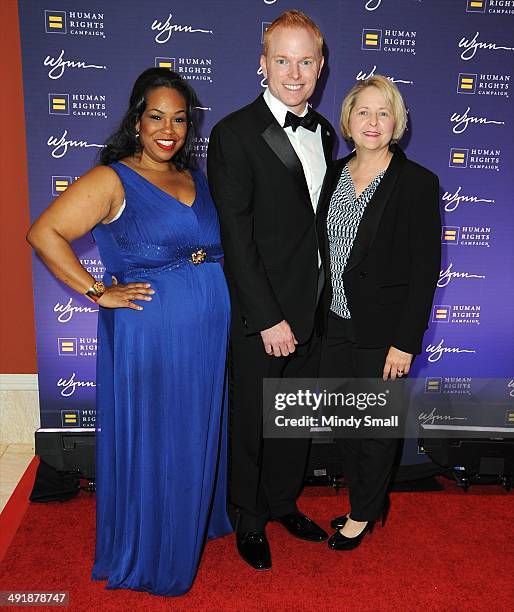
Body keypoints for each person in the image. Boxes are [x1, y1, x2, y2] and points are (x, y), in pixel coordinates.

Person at [26, 68, 232, 595]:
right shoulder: (113, 178)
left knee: (194, 429)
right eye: (157, 117)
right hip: (151, 337)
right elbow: (43, 231)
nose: (168, 129)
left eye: (179, 119)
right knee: (157, 437)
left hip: (205, 335)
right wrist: (97, 291)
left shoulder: (194, 177)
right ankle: (152, 546)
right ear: (137, 119)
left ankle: (191, 519)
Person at [207, 11, 336, 571]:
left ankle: (283, 504)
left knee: (294, 420)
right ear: (262, 64)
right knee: (254, 421)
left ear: (320, 66)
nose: (294, 72)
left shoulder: (329, 131)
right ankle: (249, 520)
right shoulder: (234, 133)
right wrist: (267, 317)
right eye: (282, 60)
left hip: (313, 311)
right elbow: (236, 238)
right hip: (262, 316)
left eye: (305, 60)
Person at [316, 75, 441, 550]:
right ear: (348, 119)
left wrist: (406, 341)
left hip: (384, 331)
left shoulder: (418, 183)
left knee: (373, 428)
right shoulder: (332, 175)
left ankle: (364, 512)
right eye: (363, 111)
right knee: (344, 422)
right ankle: (366, 501)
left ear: (398, 122)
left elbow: (425, 268)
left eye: (383, 112)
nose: (372, 122)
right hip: (333, 325)